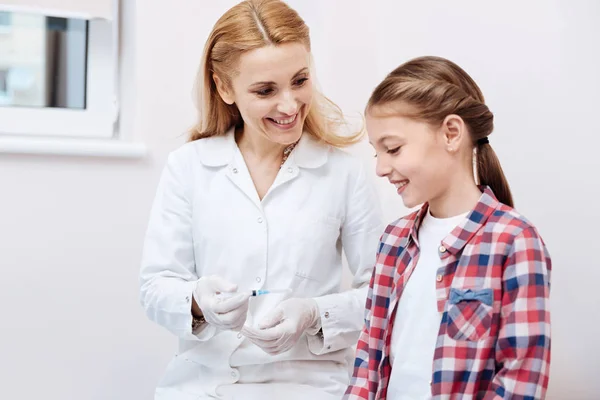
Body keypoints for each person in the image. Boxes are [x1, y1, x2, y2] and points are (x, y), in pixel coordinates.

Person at [139, 1, 382, 399]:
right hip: (204, 383)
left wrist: (313, 314)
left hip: (310, 385)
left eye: (300, 80)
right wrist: (199, 301)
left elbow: (380, 293)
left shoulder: (344, 173)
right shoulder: (189, 166)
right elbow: (155, 286)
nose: (289, 105)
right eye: (265, 90)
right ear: (224, 87)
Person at [345, 56, 552, 399]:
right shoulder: (393, 240)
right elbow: (368, 360)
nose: (381, 168)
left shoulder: (514, 241)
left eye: (393, 148)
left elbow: (520, 381)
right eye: (376, 153)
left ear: (451, 133)